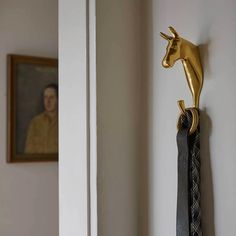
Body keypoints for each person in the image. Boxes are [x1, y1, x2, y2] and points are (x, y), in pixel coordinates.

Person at [25, 84, 58, 154]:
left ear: (58, 99)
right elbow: (28, 150)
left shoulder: (65, 121)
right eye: (45, 97)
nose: (48, 101)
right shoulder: (35, 122)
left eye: (51, 97)